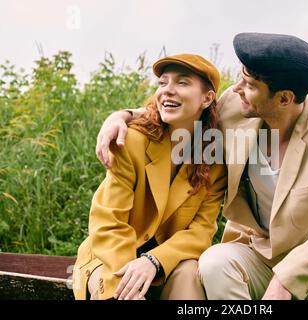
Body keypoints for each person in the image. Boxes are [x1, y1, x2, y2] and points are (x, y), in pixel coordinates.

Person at [95, 33, 308, 300]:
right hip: (258, 256)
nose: (236, 89)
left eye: (249, 85)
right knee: (214, 262)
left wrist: (287, 278)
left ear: (284, 98)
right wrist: (122, 116)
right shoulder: (236, 108)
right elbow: (182, 111)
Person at [72, 54, 227, 300]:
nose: (168, 91)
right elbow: (108, 222)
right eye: (163, 83)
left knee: (189, 275)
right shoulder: (130, 141)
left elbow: (201, 231)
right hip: (111, 258)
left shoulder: (213, 160)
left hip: (166, 263)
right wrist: (130, 277)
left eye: (182, 83)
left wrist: (154, 260)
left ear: (207, 98)